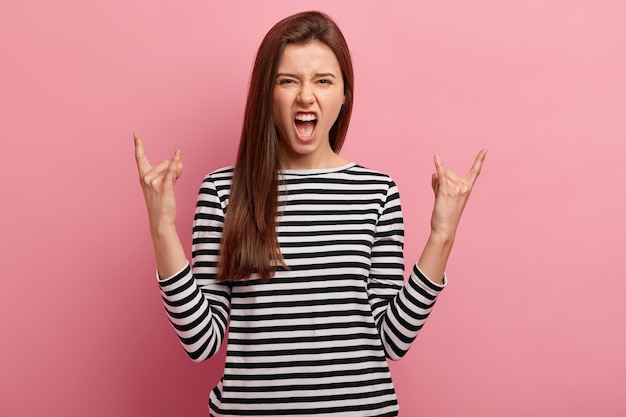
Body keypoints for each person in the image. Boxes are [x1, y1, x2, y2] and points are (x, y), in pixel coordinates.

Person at [134, 10, 486, 417]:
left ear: (344, 95)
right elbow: (201, 341)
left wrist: (442, 236)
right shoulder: (223, 191)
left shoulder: (377, 193)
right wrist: (162, 229)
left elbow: (393, 339)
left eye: (323, 80)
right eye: (288, 81)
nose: (306, 95)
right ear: (267, 94)